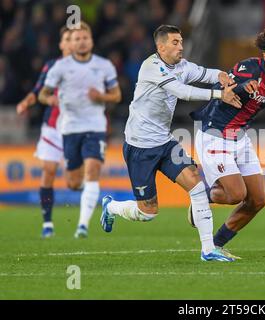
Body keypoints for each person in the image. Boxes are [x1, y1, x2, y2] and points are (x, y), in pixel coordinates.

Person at [100, 25, 241, 262]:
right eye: (175, 42)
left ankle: (208, 250)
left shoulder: (183, 66)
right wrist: (218, 95)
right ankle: (111, 207)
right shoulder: (151, 67)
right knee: (148, 212)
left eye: (181, 42)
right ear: (161, 46)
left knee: (196, 184)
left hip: (165, 143)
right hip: (140, 147)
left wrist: (223, 76)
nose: (181, 47)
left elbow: (206, 73)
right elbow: (182, 92)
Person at [190, 26, 265, 259]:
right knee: (235, 194)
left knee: (257, 200)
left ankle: (216, 245)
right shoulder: (246, 68)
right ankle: (202, 196)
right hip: (214, 133)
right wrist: (244, 89)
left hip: (240, 137)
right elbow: (221, 89)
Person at [38, 21, 122, 238]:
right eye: (77, 39)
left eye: (85, 38)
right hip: (69, 129)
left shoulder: (104, 65)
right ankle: (87, 192)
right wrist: (51, 99)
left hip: (95, 127)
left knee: (93, 169)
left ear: (91, 41)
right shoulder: (59, 68)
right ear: (70, 44)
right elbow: (42, 94)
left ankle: (82, 226)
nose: (82, 42)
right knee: (74, 183)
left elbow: (117, 95)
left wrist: (101, 97)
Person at [16, 26, 72, 238]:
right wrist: (26, 102)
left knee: (73, 181)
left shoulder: (89, 68)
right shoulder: (51, 66)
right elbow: (38, 91)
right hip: (52, 127)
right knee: (48, 171)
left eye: (74, 39)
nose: (70, 43)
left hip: (76, 128)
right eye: (66, 39)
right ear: (61, 44)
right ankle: (47, 222)